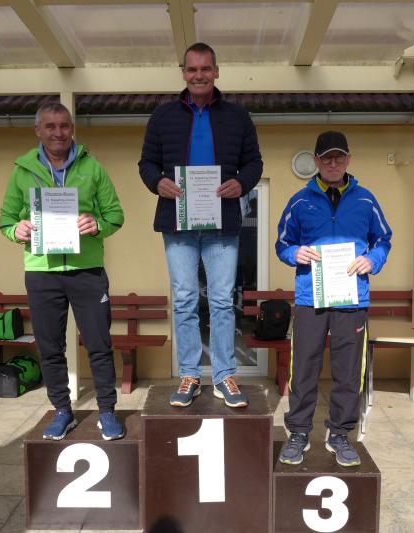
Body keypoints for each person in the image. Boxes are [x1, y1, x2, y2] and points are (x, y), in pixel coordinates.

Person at [139, 42, 263, 408]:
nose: (199, 75)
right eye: (192, 69)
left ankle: (224, 376)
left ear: (216, 72)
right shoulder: (162, 116)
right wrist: (156, 182)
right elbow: (146, 163)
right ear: (183, 73)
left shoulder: (238, 117)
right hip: (177, 221)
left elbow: (254, 163)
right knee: (185, 299)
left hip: (222, 221)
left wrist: (241, 183)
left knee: (222, 300)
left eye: (205, 69)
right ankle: (190, 375)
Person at [0, 102, 125, 440]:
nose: (59, 133)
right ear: (38, 130)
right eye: (51, 126)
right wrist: (16, 230)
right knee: (50, 347)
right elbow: (6, 220)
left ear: (72, 129)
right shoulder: (21, 172)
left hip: (87, 270)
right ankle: (62, 411)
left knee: (99, 344)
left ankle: (107, 411)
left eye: (65, 126)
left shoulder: (92, 168)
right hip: (42, 272)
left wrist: (97, 225)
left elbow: (115, 215)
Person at [275, 131, 392, 466]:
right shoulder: (299, 201)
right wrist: (294, 253)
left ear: (349, 159)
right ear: (316, 161)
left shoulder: (366, 200)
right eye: (326, 158)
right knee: (303, 369)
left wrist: (372, 260)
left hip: (352, 299)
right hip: (310, 298)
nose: (333, 163)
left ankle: (340, 434)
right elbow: (282, 243)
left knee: (349, 371)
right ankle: (299, 432)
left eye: (339, 157)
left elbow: (383, 239)